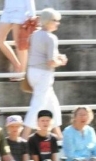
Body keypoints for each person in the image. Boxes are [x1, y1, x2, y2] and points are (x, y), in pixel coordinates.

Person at [22, 8, 67, 140]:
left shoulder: (34, 35)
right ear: (48, 21)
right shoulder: (51, 38)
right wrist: (61, 62)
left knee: (53, 104)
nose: (57, 23)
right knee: (38, 104)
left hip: (32, 72)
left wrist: (58, 58)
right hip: (44, 74)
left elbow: (40, 53)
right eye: (55, 20)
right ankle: (24, 137)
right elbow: (51, 62)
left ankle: (59, 136)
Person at [0, 0, 36, 76]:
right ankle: (17, 65)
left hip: (20, 11)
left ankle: (21, 73)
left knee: (19, 44)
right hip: (7, 11)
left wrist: (32, 14)